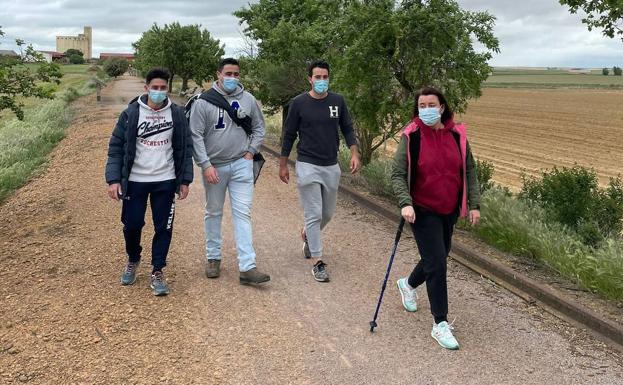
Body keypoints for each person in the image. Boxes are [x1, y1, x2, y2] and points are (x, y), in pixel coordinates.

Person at [390, 86, 481, 350]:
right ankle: (439, 323)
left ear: (442, 107)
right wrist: (405, 203)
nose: (427, 109)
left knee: (438, 256)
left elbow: (470, 171)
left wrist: (474, 204)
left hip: (448, 209)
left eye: (432, 104)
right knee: (438, 264)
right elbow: (397, 174)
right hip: (422, 209)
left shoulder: (457, 136)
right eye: (422, 105)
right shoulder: (412, 136)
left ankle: (407, 284)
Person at [105, 67, 193, 296]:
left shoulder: (177, 115)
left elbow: (185, 148)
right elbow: (115, 148)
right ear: (146, 88)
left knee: (164, 227)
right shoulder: (131, 114)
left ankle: (158, 269)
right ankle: (133, 258)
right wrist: (113, 179)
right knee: (132, 224)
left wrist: (185, 180)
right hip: (135, 180)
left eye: (163, 88)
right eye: (155, 88)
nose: (159, 92)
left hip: (165, 179)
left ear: (168, 89)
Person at [189, 57, 270, 285]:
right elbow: (195, 134)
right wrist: (205, 164)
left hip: (241, 164)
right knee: (214, 211)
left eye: (236, 74)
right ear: (218, 74)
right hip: (215, 167)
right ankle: (213, 257)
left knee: (243, 213)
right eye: (228, 73)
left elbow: (259, 126)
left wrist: (250, 152)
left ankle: (247, 266)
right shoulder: (203, 102)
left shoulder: (249, 100)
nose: (232, 78)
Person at [279, 60, 361, 282]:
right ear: (310, 79)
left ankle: (308, 233)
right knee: (314, 213)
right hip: (307, 164)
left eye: (325, 77)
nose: (321, 81)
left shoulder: (338, 101)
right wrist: (283, 163)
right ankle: (317, 261)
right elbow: (288, 135)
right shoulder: (298, 103)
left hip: (331, 164)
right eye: (317, 77)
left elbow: (347, 128)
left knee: (327, 214)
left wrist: (354, 153)